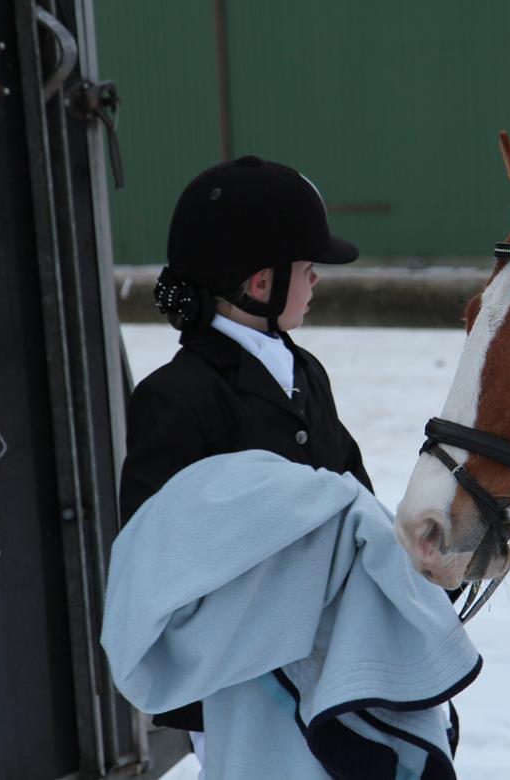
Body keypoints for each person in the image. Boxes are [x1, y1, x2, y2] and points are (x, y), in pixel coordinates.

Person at [117, 154, 373, 761]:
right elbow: (161, 556)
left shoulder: (306, 372)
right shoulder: (175, 396)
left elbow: (353, 488)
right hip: (235, 681)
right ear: (262, 284)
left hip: (328, 661)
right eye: (308, 270)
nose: (316, 283)